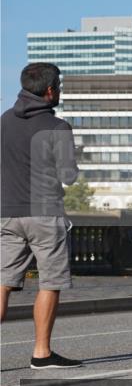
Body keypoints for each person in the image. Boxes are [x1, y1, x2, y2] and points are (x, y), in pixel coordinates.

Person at [0, 63, 82, 369]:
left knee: (3, 282)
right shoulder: (58, 127)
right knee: (50, 282)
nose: (59, 90)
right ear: (49, 91)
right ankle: (41, 353)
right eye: (58, 85)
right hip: (45, 215)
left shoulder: (3, 121)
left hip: (7, 212)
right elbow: (68, 176)